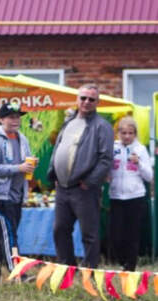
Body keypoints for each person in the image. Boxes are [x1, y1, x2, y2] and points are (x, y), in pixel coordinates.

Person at [48, 84, 114, 268]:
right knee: (60, 230)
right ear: (77, 99)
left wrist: (90, 181)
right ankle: (67, 269)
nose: (86, 102)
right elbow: (58, 148)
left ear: (97, 102)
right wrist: (53, 173)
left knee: (89, 234)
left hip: (84, 189)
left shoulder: (102, 126)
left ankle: (90, 272)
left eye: (91, 99)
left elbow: (106, 158)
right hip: (62, 188)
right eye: (83, 98)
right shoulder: (68, 122)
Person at [0, 103, 35, 278]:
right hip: (0, 194)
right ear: (1, 119)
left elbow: (26, 164)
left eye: (17, 117)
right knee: (9, 234)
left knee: (2, 232)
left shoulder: (23, 138)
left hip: (17, 194)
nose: (15, 120)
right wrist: (18, 168)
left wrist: (30, 166)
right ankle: (17, 273)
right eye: (11, 117)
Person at [109, 117, 152, 271]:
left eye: (130, 133)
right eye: (124, 132)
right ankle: (121, 261)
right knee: (116, 235)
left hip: (135, 197)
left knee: (132, 234)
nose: (127, 136)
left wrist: (138, 162)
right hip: (116, 196)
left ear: (135, 134)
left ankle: (130, 267)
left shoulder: (140, 149)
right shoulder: (112, 147)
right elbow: (107, 169)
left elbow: (149, 176)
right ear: (118, 133)